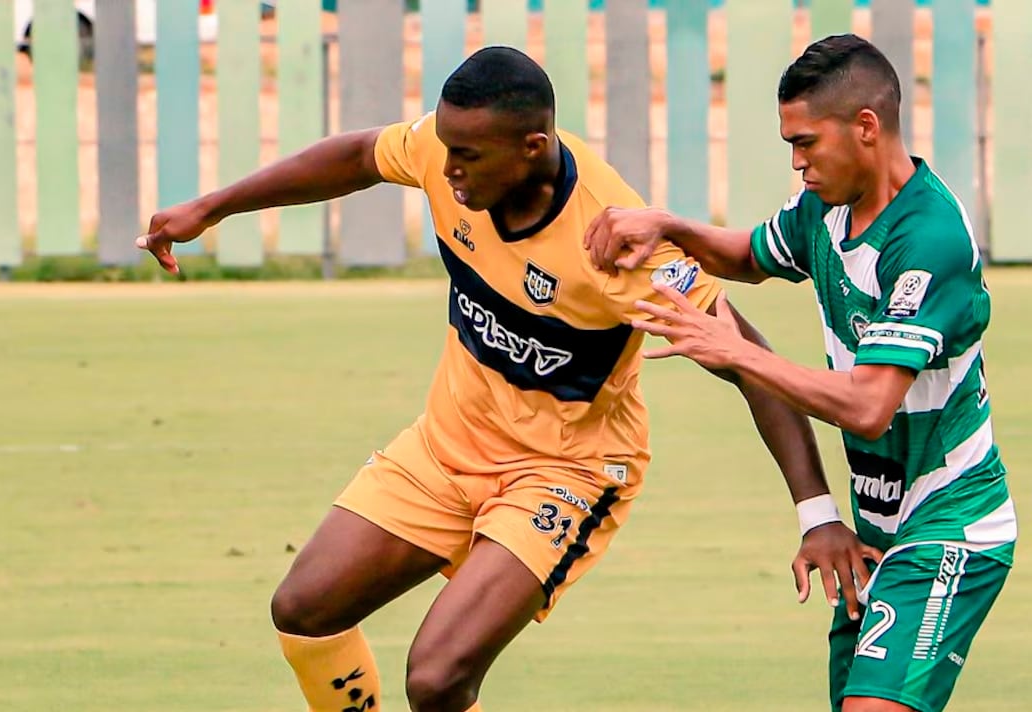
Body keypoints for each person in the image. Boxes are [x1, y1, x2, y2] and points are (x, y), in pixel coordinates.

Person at [137, 46, 871, 712]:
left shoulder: (615, 242)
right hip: (446, 448)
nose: (448, 170)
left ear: (533, 148)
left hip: (567, 471)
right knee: (304, 610)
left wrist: (816, 513)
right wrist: (211, 207)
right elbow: (359, 154)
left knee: (437, 677)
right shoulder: (446, 150)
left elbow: (745, 358)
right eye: (445, 149)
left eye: (467, 157)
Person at [584, 34, 1017, 712]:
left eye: (806, 142)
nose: (797, 162)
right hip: (878, 533)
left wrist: (737, 351)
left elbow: (869, 406)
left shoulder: (928, 239)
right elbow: (749, 256)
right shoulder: (826, 207)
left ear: (865, 127)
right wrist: (668, 226)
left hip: (951, 527)